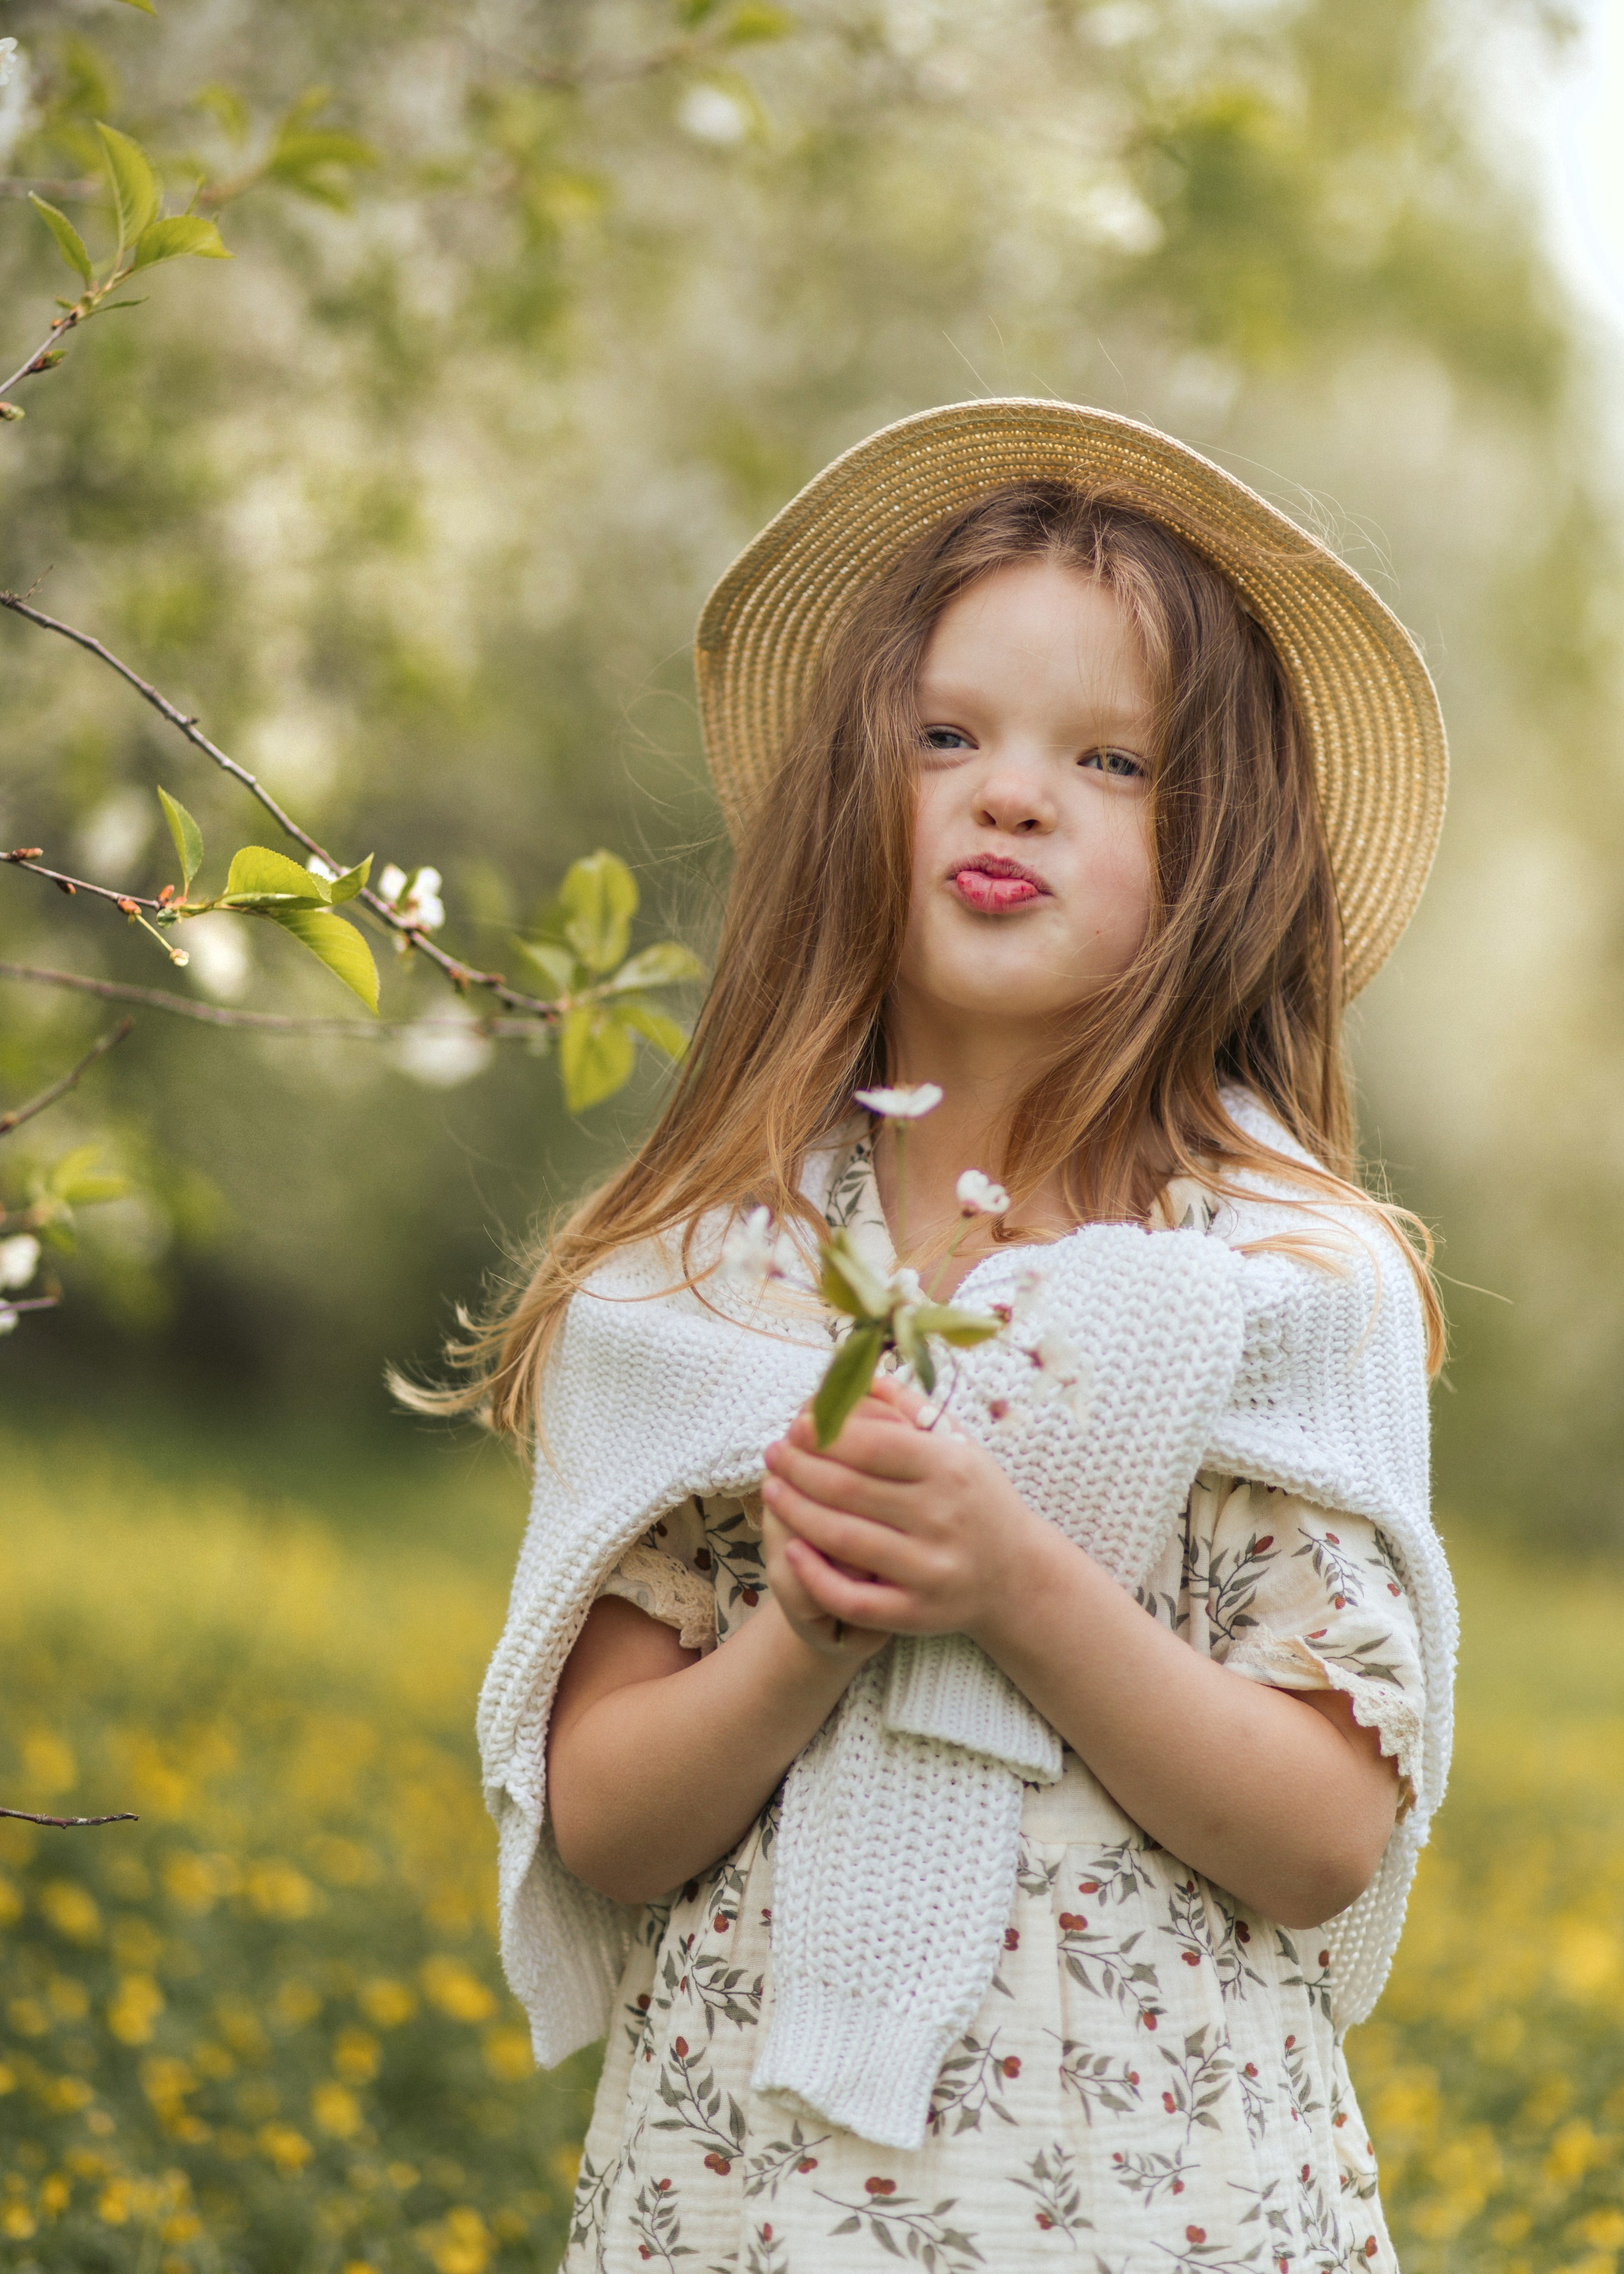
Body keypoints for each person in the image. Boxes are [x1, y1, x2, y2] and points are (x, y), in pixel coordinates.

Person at [465, 402, 1457, 2273]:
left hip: (1159, 2198)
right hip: (760, 2195)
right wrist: (804, 1631)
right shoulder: (717, 1286)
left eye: (1113, 760)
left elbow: (1327, 1831)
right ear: (857, 789)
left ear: (1223, 852)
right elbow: (605, 1819)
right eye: (947, 736)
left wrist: (1015, 1583)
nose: (1012, 797)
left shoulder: (1274, 1284)